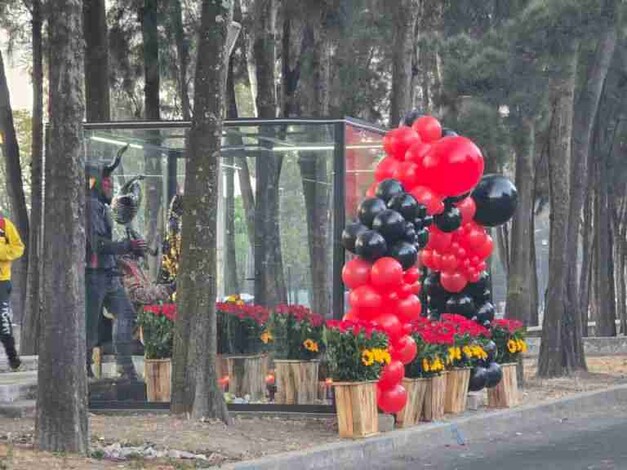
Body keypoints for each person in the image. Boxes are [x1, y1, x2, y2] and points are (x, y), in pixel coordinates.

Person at [85, 145, 146, 380]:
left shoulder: (102, 207)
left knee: (127, 313)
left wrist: (128, 250)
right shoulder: (90, 206)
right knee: (89, 324)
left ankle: (125, 367)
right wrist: (126, 247)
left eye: (110, 182)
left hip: (108, 273)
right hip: (93, 274)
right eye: (106, 182)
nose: (109, 186)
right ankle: (84, 368)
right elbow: (98, 244)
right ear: (95, 183)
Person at [0, 213, 24, 370]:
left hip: (2, 280)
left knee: (3, 321)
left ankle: (13, 359)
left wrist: (2, 252)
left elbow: (18, 247)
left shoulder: (4, 224)